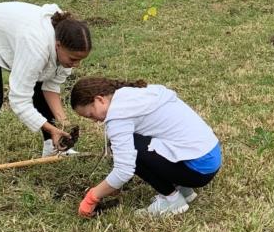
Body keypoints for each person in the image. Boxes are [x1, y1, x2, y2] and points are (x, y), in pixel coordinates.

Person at [0, 2, 92, 200]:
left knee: (40, 81)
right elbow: (19, 100)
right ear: (58, 45)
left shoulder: (65, 38)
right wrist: (50, 128)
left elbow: (50, 88)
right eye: (73, 59)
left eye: (81, 60)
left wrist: (63, 123)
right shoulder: (35, 46)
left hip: (14, 35)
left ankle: (50, 148)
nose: (76, 65)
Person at [72, 78, 221, 217]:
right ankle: (185, 190)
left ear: (100, 99)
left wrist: (92, 197)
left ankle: (173, 201)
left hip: (197, 170)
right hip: (210, 157)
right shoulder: (135, 94)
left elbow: (124, 170)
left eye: (91, 115)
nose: (94, 121)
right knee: (140, 141)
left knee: (133, 148)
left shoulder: (118, 117)